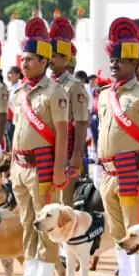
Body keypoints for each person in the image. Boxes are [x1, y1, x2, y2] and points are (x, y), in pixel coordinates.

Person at [3, 19, 69, 276]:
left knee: (47, 222)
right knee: (28, 221)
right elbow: (15, 129)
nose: (25, 63)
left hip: (43, 164)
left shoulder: (55, 92)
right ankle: (30, 273)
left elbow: (63, 133)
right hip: (19, 165)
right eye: (23, 58)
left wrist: (58, 170)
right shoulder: (18, 92)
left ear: (44, 61)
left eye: (30, 59)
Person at [95, 18, 139, 276]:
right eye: (111, 59)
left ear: (134, 62)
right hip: (108, 171)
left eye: (120, 60)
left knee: (135, 231)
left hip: (131, 169)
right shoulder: (103, 95)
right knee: (116, 232)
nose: (113, 65)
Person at [49, 16, 89, 207]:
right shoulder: (47, 84)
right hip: (48, 148)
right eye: (50, 55)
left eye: (56, 56)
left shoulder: (74, 86)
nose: (51, 60)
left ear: (66, 59)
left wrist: (76, 156)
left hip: (67, 149)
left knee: (65, 204)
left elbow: (81, 123)